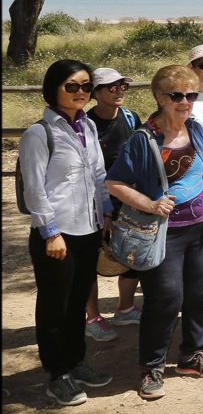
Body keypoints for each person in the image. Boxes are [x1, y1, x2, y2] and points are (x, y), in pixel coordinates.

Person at [106, 64, 203, 400]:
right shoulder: (144, 139)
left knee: (201, 295)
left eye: (190, 95)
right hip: (164, 234)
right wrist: (150, 204)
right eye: (176, 95)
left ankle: (192, 355)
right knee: (166, 299)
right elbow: (114, 182)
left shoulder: (196, 129)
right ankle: (152, 366)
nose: (185, 101)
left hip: (201, 228)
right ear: (160, 97)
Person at [21, 60, 114, 406]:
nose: (80, 93)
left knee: (77, 302)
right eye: (71, 86)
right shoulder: (38, 133)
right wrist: (50, 233)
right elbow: (35, 189)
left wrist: (106, 213)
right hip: (57, 233)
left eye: (86, 86)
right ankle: (57, 373)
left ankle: (76, 362)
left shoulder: (87, 127)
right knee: (54, 305)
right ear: (54, 87)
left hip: (88, 227)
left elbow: (99, 175)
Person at [83, 68, 142, 341]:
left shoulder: (131, 118)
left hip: (129, 201)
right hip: (93, 205)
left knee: (133, 256)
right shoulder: (84, 124)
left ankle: (125, 308)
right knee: (89, 261)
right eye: (111, 87)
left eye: (122, 86)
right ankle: (93, 317)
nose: (119, 91)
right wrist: (105, 208)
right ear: (95, 93)